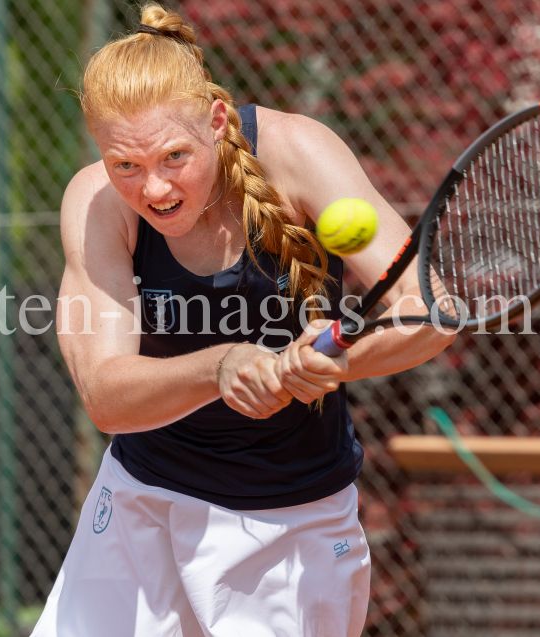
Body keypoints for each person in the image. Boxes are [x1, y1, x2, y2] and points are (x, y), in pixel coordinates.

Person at [31, 5, 454, 636]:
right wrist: (223, 365)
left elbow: (432, 314)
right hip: (142, 503)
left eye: (174, 156)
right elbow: (107, 397)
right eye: (126, 166)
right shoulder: (94, 203)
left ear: (217, 121)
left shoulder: (300, 152)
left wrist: (339, 362)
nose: (154, 190)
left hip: (290, 523)